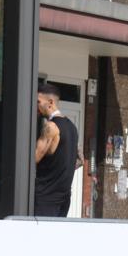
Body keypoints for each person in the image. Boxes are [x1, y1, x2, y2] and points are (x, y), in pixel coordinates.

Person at [34, 82, 80, 217]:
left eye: (38, 101)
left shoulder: (51, 127)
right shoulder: (72, 127)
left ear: (50, 102)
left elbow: (33, 159)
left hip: (45, 197)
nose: (36, 105)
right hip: (64, 199)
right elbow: (79, 160)